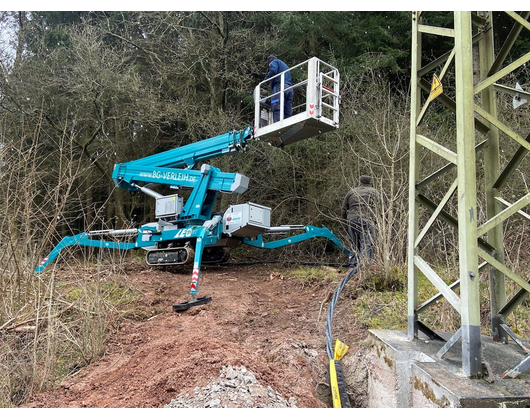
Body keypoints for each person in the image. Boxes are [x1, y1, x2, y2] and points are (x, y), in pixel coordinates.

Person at [341, 175, 380, 270]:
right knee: (367, 243)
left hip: (352, 219)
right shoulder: (374, 192)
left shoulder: (351, 192)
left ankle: (352, 266)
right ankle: (364, 267)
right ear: (370, 182)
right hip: (367, 219)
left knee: (354, 244)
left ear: (360, 182)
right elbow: (380, 208)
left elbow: (343, 209)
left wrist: (345, 224)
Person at [263, 55, 293, 123]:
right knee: (287, 108)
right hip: (289, 87)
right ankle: (287, 123)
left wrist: (265, 81)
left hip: (280, 87)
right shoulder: (285, 66)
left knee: (276, 104)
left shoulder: (274, 62)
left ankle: (277, 123)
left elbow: (273, 70)